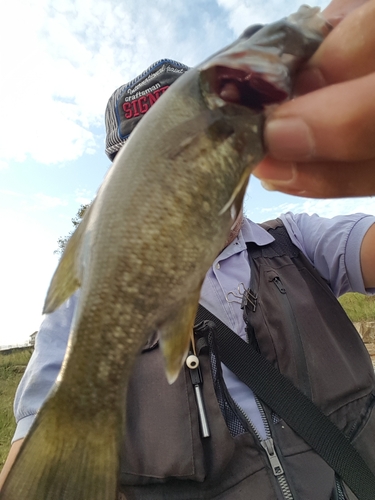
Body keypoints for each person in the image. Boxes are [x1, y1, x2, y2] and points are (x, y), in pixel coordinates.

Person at [1, 0, 375, 498]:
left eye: (206, 147)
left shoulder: (296, 239)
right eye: (161, 170)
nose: (185, 179)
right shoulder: (84, 307)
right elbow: (34, 457)